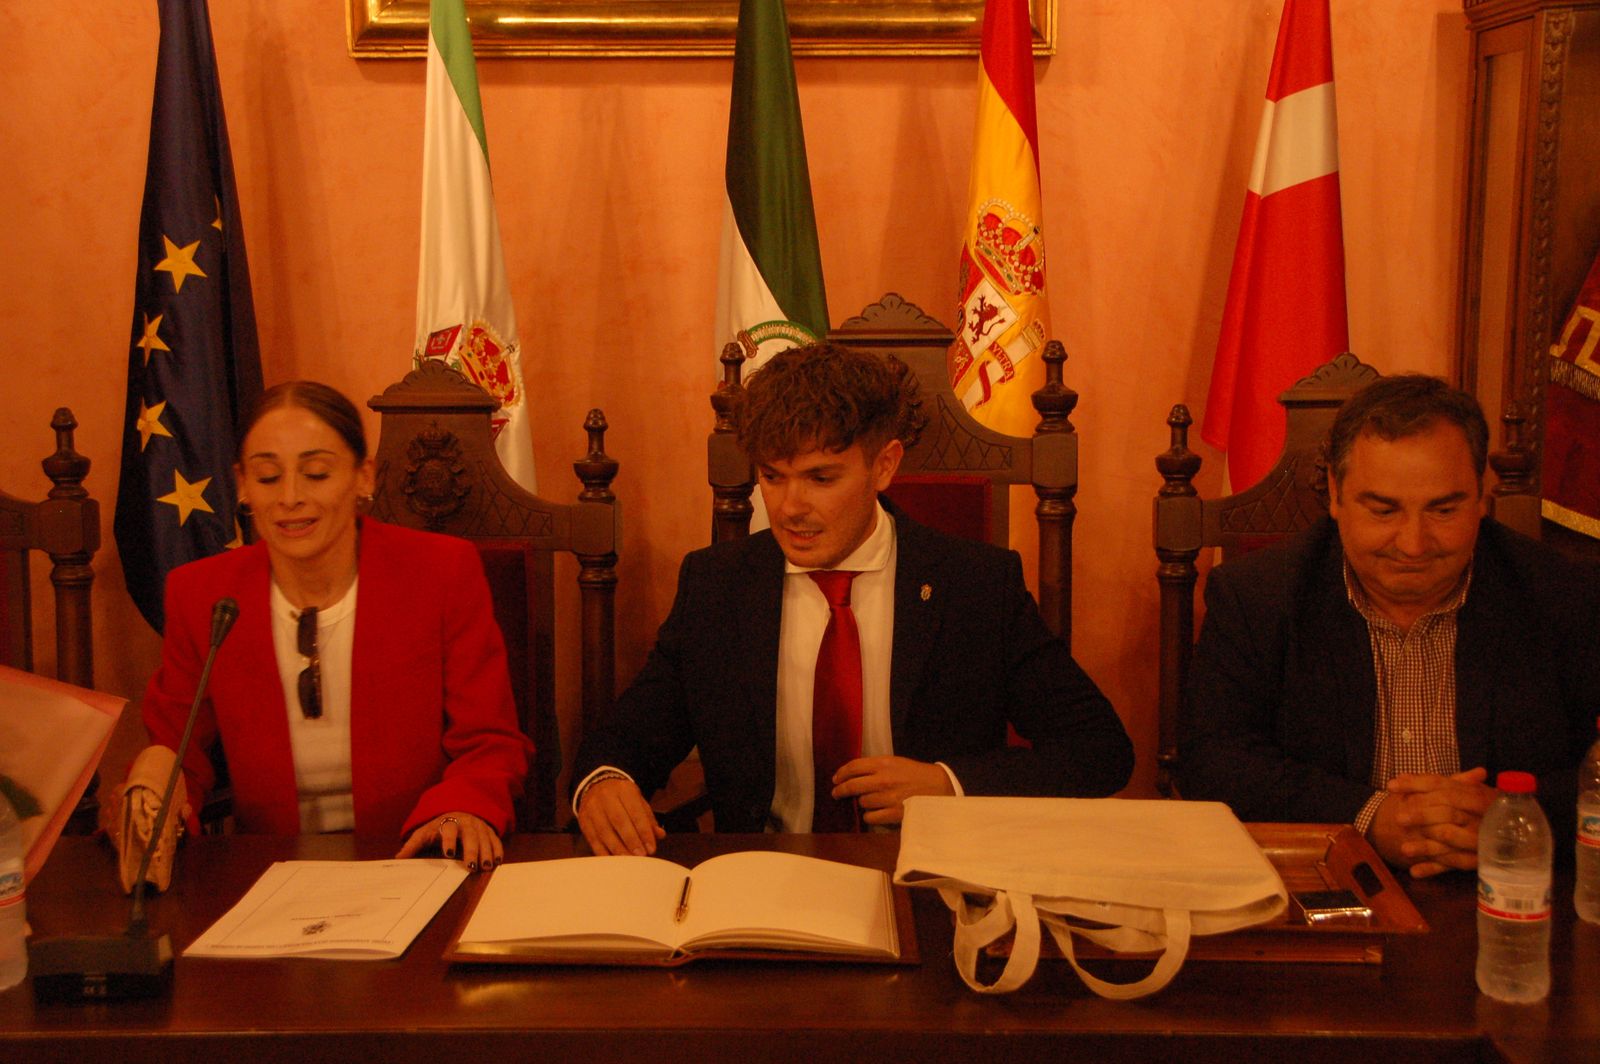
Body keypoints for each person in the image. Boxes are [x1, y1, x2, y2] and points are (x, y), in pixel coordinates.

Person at [573, 342, 1132, 856]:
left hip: (929, 878)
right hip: (761, 880)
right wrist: (606, 782)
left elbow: (1099, 750)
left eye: (821, 478)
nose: (790, 507)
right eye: (773, 476)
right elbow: (629, 736)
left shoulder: (975, 585)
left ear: (884, 465)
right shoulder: (718, 586)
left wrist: (949, 783)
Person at [1180, 374, 1600, 877]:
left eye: (1444, 510)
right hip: (1326, 885)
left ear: (1482, 495)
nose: (1414, 544)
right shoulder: (1258, 596)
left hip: (1513, 890)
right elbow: (1211, 760)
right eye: (1383, 510)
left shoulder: (1562, 595)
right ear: (1335, 494)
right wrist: (1367, 818)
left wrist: (1506, 817)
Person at [138, 381, 531, 871]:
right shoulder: (203, 595)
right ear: (241, 485)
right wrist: (153, 797)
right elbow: (176, 752)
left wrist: (463, 807)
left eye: (316, 473)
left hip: (417, 858)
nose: (290, 498)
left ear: (363, 477)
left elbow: (489, 741)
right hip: (267, 872)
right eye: (266, 477)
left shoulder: (441, 572)